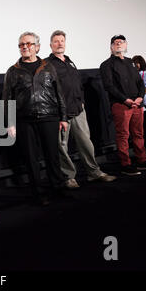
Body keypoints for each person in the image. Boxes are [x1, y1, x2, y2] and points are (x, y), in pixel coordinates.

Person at [2, 31, 68, 206]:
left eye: (29, 44)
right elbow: (7, 98)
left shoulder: (48, 67)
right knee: (31, 160)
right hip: (25, 120)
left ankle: (58, 188)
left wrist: (63, 117)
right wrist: (10, 123)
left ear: (37, 47)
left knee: (52, 156)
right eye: (21, 44)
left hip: (49, 116)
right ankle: (38, 194)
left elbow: (59, 93)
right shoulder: (12, 71)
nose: (25, 47)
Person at [46, 30, 116, 188]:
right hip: (60, 113)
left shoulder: (70, 62)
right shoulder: (47, 64)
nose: (59, 43)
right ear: (50, 45)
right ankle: (68, 177)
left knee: (86, 143)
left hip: (78, 110)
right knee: (62, 147)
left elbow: (77, 84)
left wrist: (82, 101)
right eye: (56, 41)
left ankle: (94, 172)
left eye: (62, 40)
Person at [100, 35, 146, 176]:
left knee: (139, 133)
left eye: (121, 42)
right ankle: (126, 164)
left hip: (137, 104)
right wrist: (125, 99)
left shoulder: (130, 62)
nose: (118, 44)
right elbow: (109, 86)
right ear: (111, 47)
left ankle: (142, 161)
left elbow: (139, 82)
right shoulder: (106, 64)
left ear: (126, 46)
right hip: (121, 105)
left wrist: (140, 97)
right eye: (115, 43)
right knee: (123, 135)